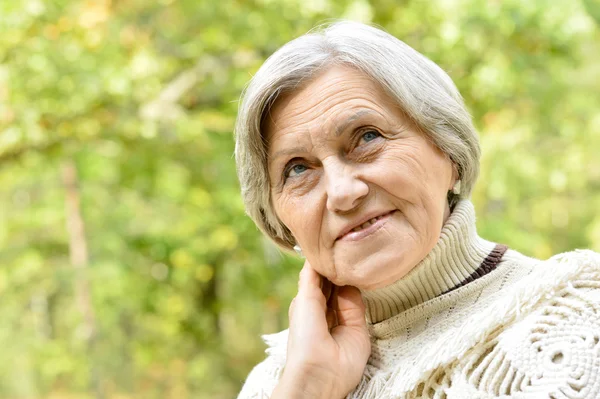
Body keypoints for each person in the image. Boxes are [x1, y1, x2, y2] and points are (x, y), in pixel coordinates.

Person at [234, 21, 600, 399]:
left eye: (367, 137)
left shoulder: (582, 326)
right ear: (279, 219)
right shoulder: (275, 382)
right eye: (298, 169)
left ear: (448, 149)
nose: (343, 192)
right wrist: (308, 388)